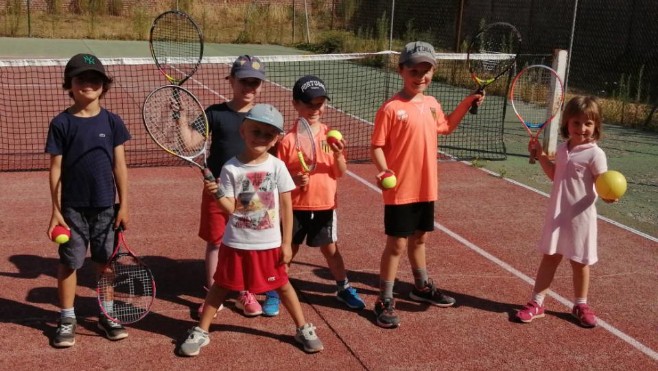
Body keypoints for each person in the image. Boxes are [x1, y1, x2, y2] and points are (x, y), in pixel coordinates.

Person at [179, 104, 324, 356]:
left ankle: (302, 328)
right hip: (236, 242)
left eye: (268, 135)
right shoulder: (230, 169)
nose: (260, 138)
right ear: (243, 130)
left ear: (275, 139)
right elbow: (231, 209)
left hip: (269, 243)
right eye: (255, 131)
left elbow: (288, 207)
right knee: (220, 286)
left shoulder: (277, 167)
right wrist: (216, 193)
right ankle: (202, 331)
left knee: (283, 285)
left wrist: (287, 243)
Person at [370, 41, 484, 328]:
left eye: (426, 70)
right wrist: (384, 171)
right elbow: (377, 146)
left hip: (425, 187)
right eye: (414, 70)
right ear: (401, 70)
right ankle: (384, 298)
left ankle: (420, 287)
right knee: (396, 244)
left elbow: (445, 127)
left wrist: (468, 101)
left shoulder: (432, 104)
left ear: (434, 71)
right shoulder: (391, 108)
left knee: (419, 239)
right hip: (400, 189)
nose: (420, 76)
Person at [45, 53, 131, 347]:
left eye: (95, 78)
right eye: (81, 78)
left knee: (105, 263)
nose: (88, 83)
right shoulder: (61, 123)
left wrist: (125, 204)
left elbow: (119, 165)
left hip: (107, 207)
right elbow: (55, 169)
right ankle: (67, 317)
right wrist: (56, 211)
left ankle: (107, 314)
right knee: (70, 262)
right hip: (72, 208)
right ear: (69, 84)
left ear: (104, 85)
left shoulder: (113, 121)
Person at [515, 96, 610, 328]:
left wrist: (610, 196)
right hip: (557, 216)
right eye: (576, 123)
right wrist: (540, 156)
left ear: (596, 126)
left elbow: (603, 184)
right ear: (567, 124)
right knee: (550, 258)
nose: (582, 129)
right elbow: (555, 174)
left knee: (580, 262)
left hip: (581, 219)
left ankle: (580, 304)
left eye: (588, 123)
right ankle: (536, 303)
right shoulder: (562, 148)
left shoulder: (595, 155)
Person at [274, 75, 365, 311]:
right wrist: (293, 179)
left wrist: (337, 155)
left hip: (325, 205)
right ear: (295, 104)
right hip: (295, 207)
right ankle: (274, 290)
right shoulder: (287, 141)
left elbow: (340, 172)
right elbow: (277, 176)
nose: (315, 109)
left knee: (331, 250)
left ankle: (343, 288)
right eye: (308, 103)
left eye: (320, 103)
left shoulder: (331, 136)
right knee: (288, 251)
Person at [197, 55, 268, 318]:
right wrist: (181, 119)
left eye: (255, 82)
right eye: (244, 81)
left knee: (247, 243)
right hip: (218, 189)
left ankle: (244, 292)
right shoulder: (214, 113)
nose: (249, 87)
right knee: (216, 242)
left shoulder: (263, 116)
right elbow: (191, 141)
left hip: (251, 191)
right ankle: (212, 294)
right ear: (231, 81)